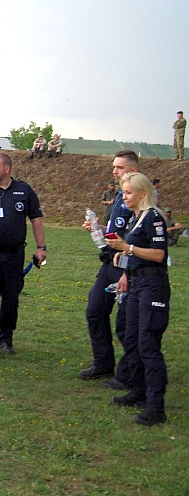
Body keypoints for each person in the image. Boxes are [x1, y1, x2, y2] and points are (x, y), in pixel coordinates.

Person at [104, 172, 170, 426]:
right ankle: (138, 390)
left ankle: (156, 406)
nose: (125, 196)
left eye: (129, 192)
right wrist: (126, 264)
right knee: (131, 336)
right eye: (123, 192)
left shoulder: (153, 217)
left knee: (148, 342)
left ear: (142, 193)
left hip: (152, 285)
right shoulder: (135, 218)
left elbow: (158, 254)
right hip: (136, 282)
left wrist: (128, 249)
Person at [0, 153, 45, 357]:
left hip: (14, 254)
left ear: (7, 169)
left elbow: (36, 219)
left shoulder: (24, 191)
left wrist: (41, 247)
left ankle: (6, 338)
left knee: (11, 298)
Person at [81, 150, 139, 388]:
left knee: (126, 324)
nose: (115, 171)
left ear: (133, 170)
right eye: (114, 167)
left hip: (126, 265)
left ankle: (130, 374)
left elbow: (136, 236)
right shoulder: (119, 195)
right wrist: (99, 227)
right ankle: (103, 363)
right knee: (95, 311)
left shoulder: (140, 198)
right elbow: (117, 229)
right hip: (109, 262)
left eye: (120, 168)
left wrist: (128, 270)